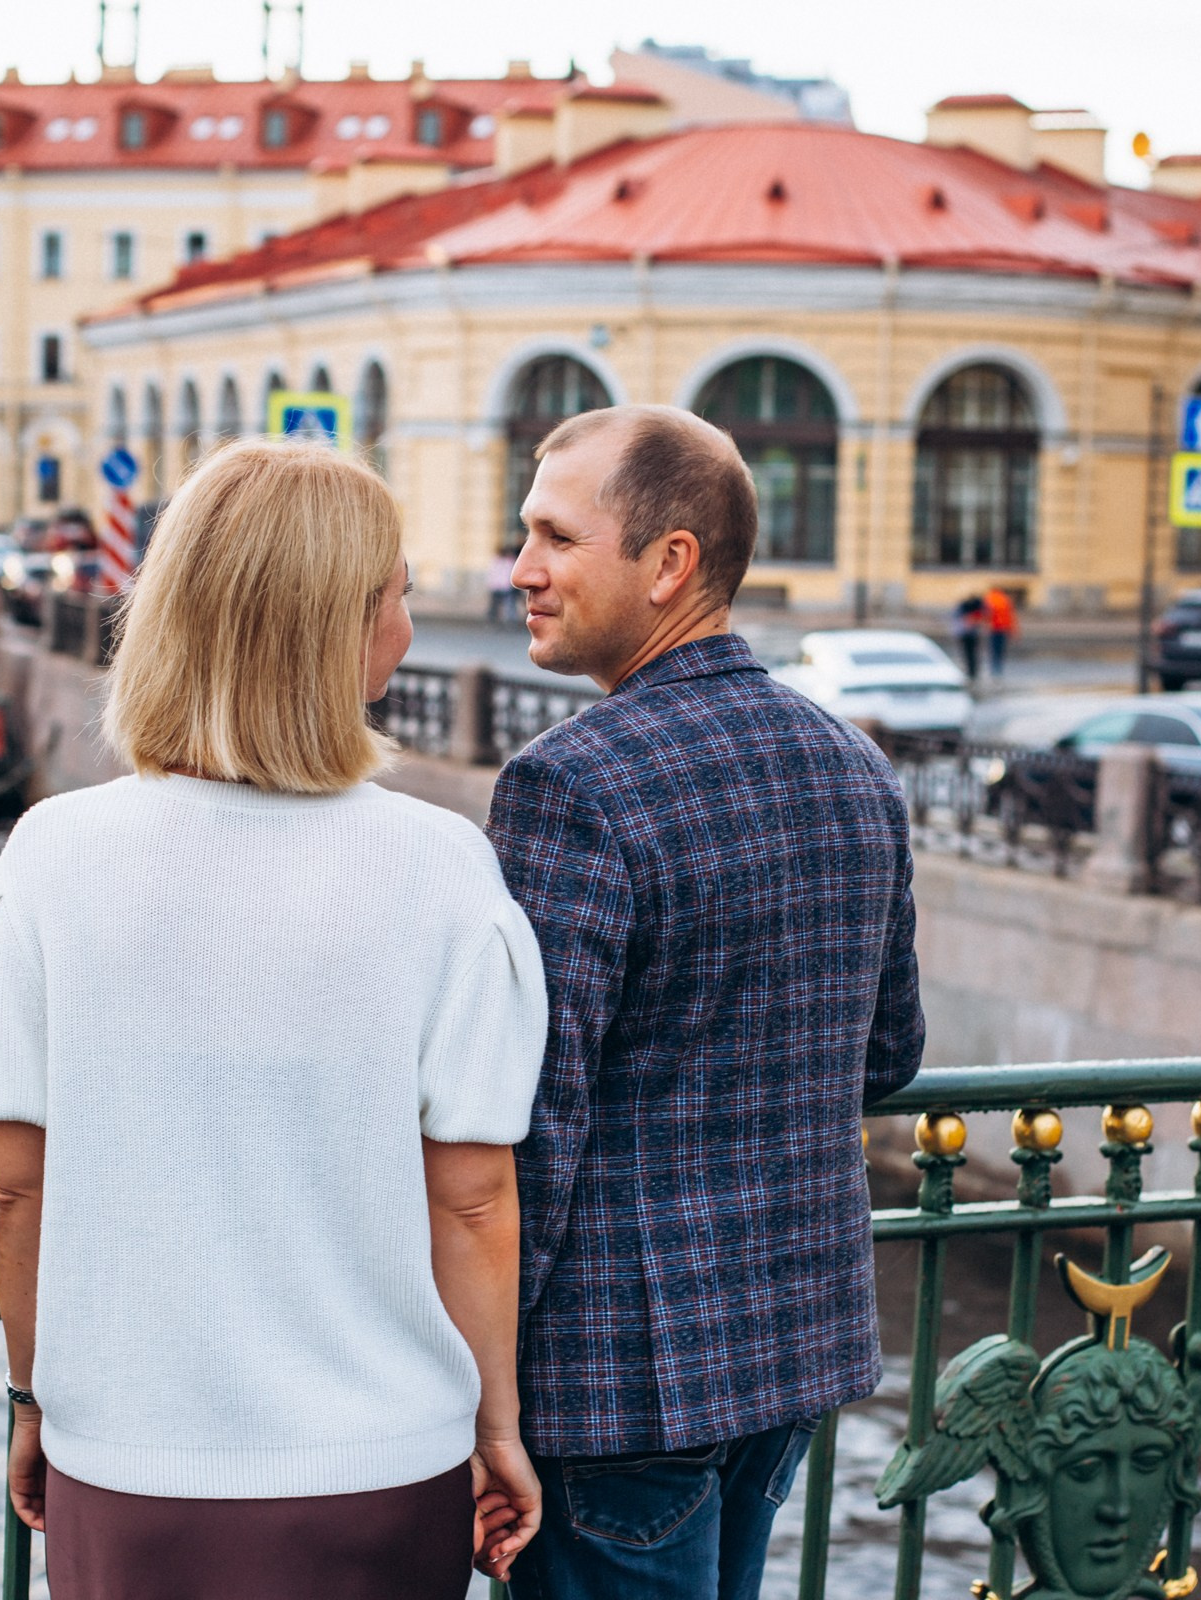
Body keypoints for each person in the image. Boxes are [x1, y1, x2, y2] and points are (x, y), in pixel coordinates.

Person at [0, 439, 547, 1600]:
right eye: (396, 596)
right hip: (382, 1469)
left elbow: (18, 1189)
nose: (407, 626)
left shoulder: (53, 855)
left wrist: (32, 1401)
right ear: (336, 630)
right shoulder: (441, 868)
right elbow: (472, 1200)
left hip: (129, 1466)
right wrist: (496, 1425)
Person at [488, 404, 926, 1600]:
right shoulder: (855, 765)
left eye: (556, 537)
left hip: (616, 1386)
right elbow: (888, 1053)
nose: (520, 569)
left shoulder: (570, 785)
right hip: (788, 1351)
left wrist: (482, 1392)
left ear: (670, 562)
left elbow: (529, 1122)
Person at [984, 583, 1020, 679]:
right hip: (1003, 627)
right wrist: (1014, 630)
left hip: (994, 628)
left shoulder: (990, 599)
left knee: (994, 649)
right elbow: (1010, 616)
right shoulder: (1005, 599)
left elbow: (986, 615)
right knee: (1000, 649)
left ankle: (994, 669)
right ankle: (998, 669)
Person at [952, 594, 986, 680]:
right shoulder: (974, 610)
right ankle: (972, 672)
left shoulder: (964, 608)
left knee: (969, 654)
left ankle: (971, 672)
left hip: (966, 634)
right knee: (972, 654)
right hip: (970, 634)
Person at [487, 548, 523, 624]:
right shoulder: (507, 561)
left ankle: (506, 620)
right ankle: (507, 620)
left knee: (505, 604)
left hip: (500, 586)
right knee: (506, 604)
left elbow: (491, 574)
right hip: (503, 586)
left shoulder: (499, 561)